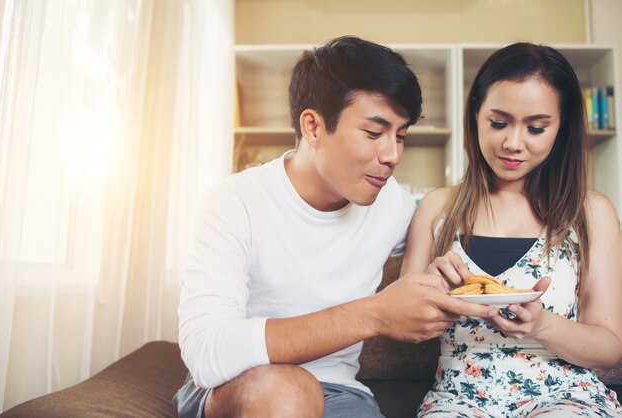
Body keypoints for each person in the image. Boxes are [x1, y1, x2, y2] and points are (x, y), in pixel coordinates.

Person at [173, 36, 496, 418]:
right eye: (374, 133)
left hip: (341, 393)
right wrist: (373, 313)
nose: (393, 155)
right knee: (287, 392)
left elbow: (429, 257)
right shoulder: (235, 202)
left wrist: (440, 273)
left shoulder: (391, 203)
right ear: (312, 127)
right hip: (240, 384)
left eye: (401, 136)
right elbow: (208, 351)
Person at [401, 42, 622, 417]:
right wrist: (429, 289)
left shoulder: (590, 212)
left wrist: (543, 325)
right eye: (498, 123)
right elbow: (402, 327)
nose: (513, 143)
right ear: (475, 115)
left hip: (565, 396)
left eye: (536, 128)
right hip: (459, 398)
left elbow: (609, 345)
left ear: (561, 128)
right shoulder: (438, 208)